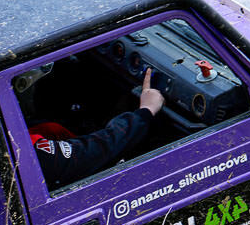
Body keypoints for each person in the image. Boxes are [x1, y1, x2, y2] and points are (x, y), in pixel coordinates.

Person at [25, 68, 164, 189]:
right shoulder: (27, 154)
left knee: (51, 127)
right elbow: (93, 151)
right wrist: (146, 110)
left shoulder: (19, 137)